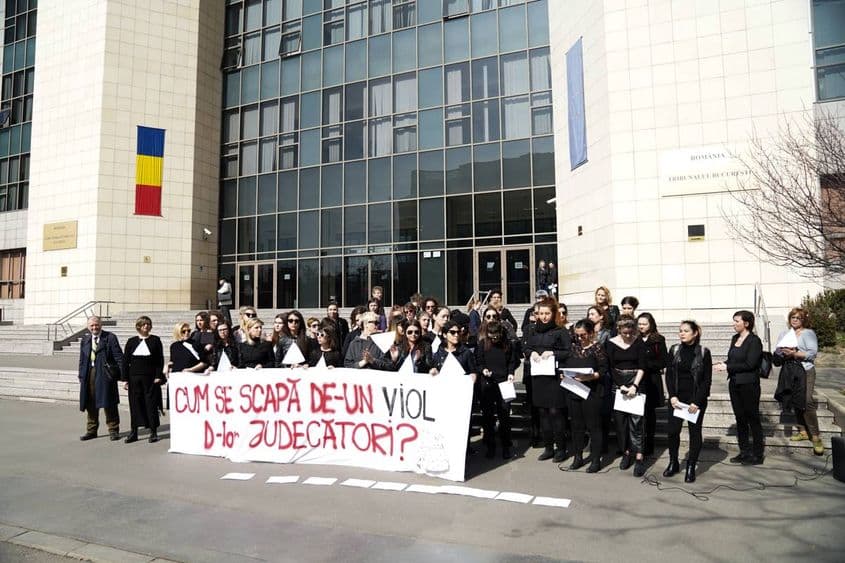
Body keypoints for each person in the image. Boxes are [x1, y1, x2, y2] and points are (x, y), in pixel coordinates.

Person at [523, 298, 571, 463]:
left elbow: (568, 352)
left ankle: (561, 448)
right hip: (539, 378)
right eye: (541, 313)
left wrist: (552, 353)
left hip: (554, 378)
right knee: (542, 413)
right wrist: (532, 353)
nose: (543, 317)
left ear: (553, 314)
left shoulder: (561, 331)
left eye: (547, 313)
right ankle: (548, 447)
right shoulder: (533, 330)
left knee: (555, 412)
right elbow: (526, 347)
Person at [664, 320, 712, 483]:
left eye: (685, 331)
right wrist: (672, 396)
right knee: (672, 431)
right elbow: (669, 375)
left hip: (695, 401)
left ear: (695, 333)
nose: (681, 333)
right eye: (680, 331)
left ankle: (691, 466)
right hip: (677, 399)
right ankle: (673, 462)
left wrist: (696, 402)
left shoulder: (704, 352)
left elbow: (706, 380)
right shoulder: (674, 350)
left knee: (694, 432)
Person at [715, 310, 765, 465]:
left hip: (749, 384)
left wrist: (728, 366)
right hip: (735, 384)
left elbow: (750, 364)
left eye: (737, 321)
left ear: (747, 323)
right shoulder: (734, 338)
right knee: (740, 418)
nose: (734, 324)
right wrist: (721, 364)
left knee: (753, 418)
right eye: (734, 320)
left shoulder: (754, 341)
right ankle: (744, 451)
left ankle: (757, 454)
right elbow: (732, 359)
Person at [775, 307, 823, 456]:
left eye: (798, 318)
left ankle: (815, 436)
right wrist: (781, 352)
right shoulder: (784, 333)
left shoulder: (808, 333)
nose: (795, 320)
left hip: (806, 370)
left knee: (807, 401)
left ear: (803, 320)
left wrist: (794, 353)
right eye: (793, 317)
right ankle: (802, 431)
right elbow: (777, 351)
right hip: (789, 371)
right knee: (794, 400)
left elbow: (812, 353)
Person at [606, 316, 647, 477]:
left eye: (631, 332)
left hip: (637, 381)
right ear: (619, 330)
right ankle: (626, 452)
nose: (628, 336)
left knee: (637, 423)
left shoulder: (638, 342)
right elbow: (610, 367)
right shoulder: (611, 343)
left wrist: (635, 386)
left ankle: (639, 456)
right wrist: (620, 385)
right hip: (619, 384)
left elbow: (643, 366)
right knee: (620, 423)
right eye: (625, 333)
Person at [564, 319, 607, 472]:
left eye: (583, 335)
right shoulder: (573, 348)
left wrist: (590, 376)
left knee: (593, 427)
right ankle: (578, 457)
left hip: (592, 392)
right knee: (576, 427)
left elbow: (603, 370)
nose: (580, 338)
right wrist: (564, 375)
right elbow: (566, 365)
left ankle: (595, 459)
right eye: (577, 335)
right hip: (574, 391)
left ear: (591, 334)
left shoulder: (597, 348)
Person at [475, 321, 519, 459]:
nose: (494, 339)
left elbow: (512, 361)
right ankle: (490, 445)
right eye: (491, 336)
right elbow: (478, 361)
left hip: (503, 382)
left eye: (496, 336)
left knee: (504, 415)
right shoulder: (483, 344)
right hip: (488, 383)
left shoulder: (507, 344)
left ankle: (506, 446)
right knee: (488, 416)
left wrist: (511, 372)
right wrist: (483, 370)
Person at [78, 316, 124, 441]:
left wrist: (123, 376)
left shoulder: (110, 338)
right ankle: (91, 430)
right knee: (90, 403)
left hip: (105, 375)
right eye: (91, 325)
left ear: (101, 325)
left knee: (109, 403)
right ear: (88, 327)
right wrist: (81, 375)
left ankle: (113, 430)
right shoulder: (86, 340)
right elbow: (82, 359)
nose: (94, 327)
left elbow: (119, 357)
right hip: (89, 374)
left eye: (96, 325)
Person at [121, 316, 165, 444]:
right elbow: (125, 361)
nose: (146, 326)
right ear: (139, 326)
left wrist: (158, 376)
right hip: (134, 378)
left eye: (148, 324)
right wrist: (124, 379)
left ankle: (153, 432)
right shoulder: (131, 341)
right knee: (134, 405)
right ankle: (134, 432)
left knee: (151, 404)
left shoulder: (155, 340)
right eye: (144, 324)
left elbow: (159, 360)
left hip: (150, 378)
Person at [637, 312, 667, 456]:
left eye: (644, 324)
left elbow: (663, 361)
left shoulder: (658, 339)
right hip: (636, 380)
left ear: (651, 324)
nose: (641, 326)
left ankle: (649, 444)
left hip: (651, 380)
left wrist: (645, 365)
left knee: (649, 414)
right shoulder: (634, 338)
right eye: (640, 324)